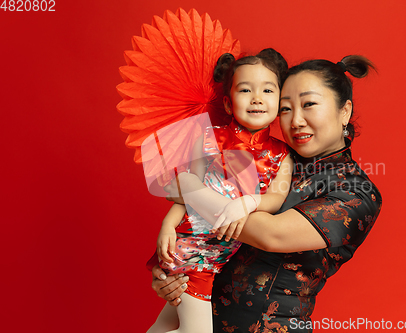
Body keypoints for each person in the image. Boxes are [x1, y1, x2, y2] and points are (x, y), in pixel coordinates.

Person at [152, 55, 383, 333]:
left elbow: (270, 235)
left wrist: (192, 188)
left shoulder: (355, 191)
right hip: (201, 314)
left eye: (309, 104)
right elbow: (204, 236)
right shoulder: (266, 157)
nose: (296, 120)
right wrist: (177, 269)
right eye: (285, 109)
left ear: (344, 111)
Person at [147, 49, 293, 333]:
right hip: (195, 248)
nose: (256, 98)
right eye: (245, 89)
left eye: (267, 89)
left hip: (219, 254)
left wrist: (248, 202)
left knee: (166, 325)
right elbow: (189, 188)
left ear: (280, 100)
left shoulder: (281, 154)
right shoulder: (208, 136)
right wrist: (168, 223)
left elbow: (276, 199)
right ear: (227, 103)